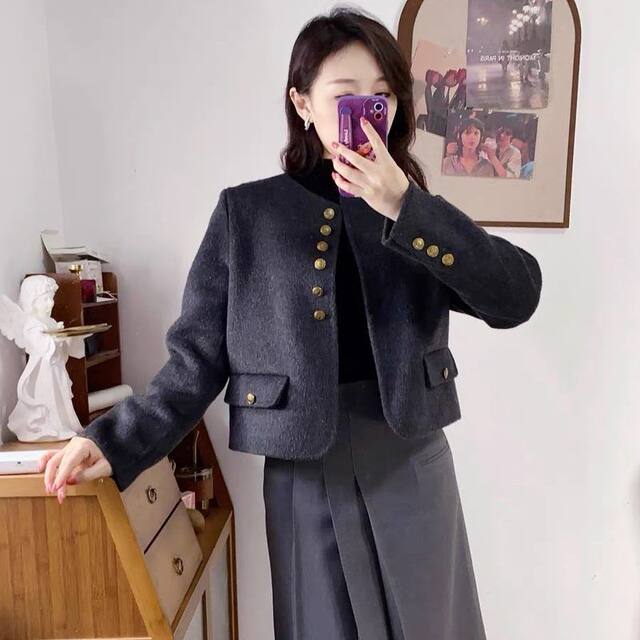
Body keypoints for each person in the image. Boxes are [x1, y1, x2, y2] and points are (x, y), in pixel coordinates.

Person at [39, 7, 542, 639]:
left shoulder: (418, 214)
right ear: (302, 103)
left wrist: (405, 206)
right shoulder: (246, 215)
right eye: (345, 95)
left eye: (383, 96)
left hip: (411, 461)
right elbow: (195, 362)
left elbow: (516, 296)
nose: (368, 113)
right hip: (304, 470)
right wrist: (111, 442)